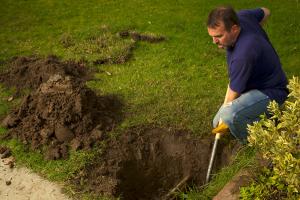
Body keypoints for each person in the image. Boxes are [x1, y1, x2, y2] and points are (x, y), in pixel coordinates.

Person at [206, 6, 288, 143]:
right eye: (212, 36)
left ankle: (256, 142)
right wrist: (257, 33)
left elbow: (232, 96)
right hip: (257, 84)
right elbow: (266, 11)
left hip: (272, 92)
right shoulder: (242, 17)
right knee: (217, 122)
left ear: (234, 29)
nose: (214, 41)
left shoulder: (243, 54)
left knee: (229, 116)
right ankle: (264, 118)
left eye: (219, 36)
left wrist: (226, 115)